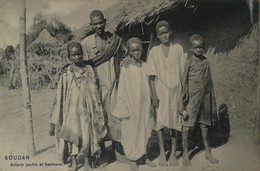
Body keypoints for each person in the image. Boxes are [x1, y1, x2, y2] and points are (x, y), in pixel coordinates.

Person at [49, 42, 107, 171]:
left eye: (79, 54)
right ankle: (74, 161)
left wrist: (95, 108)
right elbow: (61, 93)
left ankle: (86, 161)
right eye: (73, 55)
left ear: (83, 54)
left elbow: (94, 90)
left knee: (87, 135)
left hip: (86, 109)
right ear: (69, 56)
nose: (77, 57)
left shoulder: (88, 69)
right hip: (71, 111)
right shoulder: (66, 72)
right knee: (72, 135)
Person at [81, 9, 126, 157]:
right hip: (96, 86)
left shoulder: (114, 39)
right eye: (95, 24)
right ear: (91, 25)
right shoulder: (86, 43)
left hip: (113, 84)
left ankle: (116, 148)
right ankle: (101, 149)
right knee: (98, 116)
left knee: (115, 115)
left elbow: (124, 55)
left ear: (105, 22)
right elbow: (82, 64)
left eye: (101, 22)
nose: (99, 26)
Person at [146, 20, 187, 167]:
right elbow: (151, 76)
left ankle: (174, 152)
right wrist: (154, 96)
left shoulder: (178, 49)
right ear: (157, 36)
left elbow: (182, 75)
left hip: (175, 91)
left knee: (175, 122)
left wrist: (182, 96)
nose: (164, 36)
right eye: (161, 33)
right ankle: (163, 152)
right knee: (160, 123)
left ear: (171, 32)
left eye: (166, 32)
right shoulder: (154, 52)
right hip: (160, 91)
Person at [112, 37, 156, 170]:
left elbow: (148, 85)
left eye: (138, 50)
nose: (137, 52)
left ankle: (144, 155)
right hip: (131, 105)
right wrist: (123, 105)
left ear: (142, 50)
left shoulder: (145, 66)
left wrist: (152, 102)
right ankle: (132, 159)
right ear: (129, 52)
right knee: (131, 131)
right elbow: (122, 88)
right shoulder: (126, 67)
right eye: (133, 50)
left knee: (144, 128)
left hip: (144, 104)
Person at [182, 34, 219, 166]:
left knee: (204, 124)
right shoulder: (189, 62)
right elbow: (184, 80)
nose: (199, 50)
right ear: (191, 49)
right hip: (192, 97)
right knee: (187, 125)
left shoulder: (206, 61)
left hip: (204, 97)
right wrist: (184, 98)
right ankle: (186, 154)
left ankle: (207, 152)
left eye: (201, 47)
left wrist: (209, 98)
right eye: (196, 47)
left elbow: (209, 81)